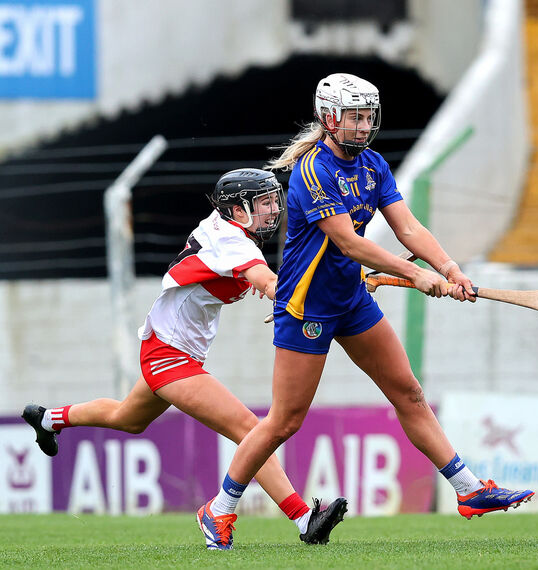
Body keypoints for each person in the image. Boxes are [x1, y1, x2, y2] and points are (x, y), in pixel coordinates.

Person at [198, 73, 534, 547]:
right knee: (285, 421)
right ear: (329, 117)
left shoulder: (374, 165)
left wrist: (448, 266)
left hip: (352, 301)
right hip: (306, 305)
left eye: (368, 116)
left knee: (409, 393)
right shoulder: (314, 170)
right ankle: (220, 508)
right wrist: (416, 274)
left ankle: (469, 490)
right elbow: (349, 241)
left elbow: (409, 228)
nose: (363, 125)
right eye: (354, 116)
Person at [22, 168, 347, 549]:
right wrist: (305, 292)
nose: (273, 210)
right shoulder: (233, 242)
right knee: (250, 428)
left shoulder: (228, 230)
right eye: (264, 203)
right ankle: (301, 518)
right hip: (169, 355)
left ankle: (47, 418)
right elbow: (272, 284)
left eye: (275, 201)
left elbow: (262, 276)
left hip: (169, 347)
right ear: (236, 209)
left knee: (126, 418)